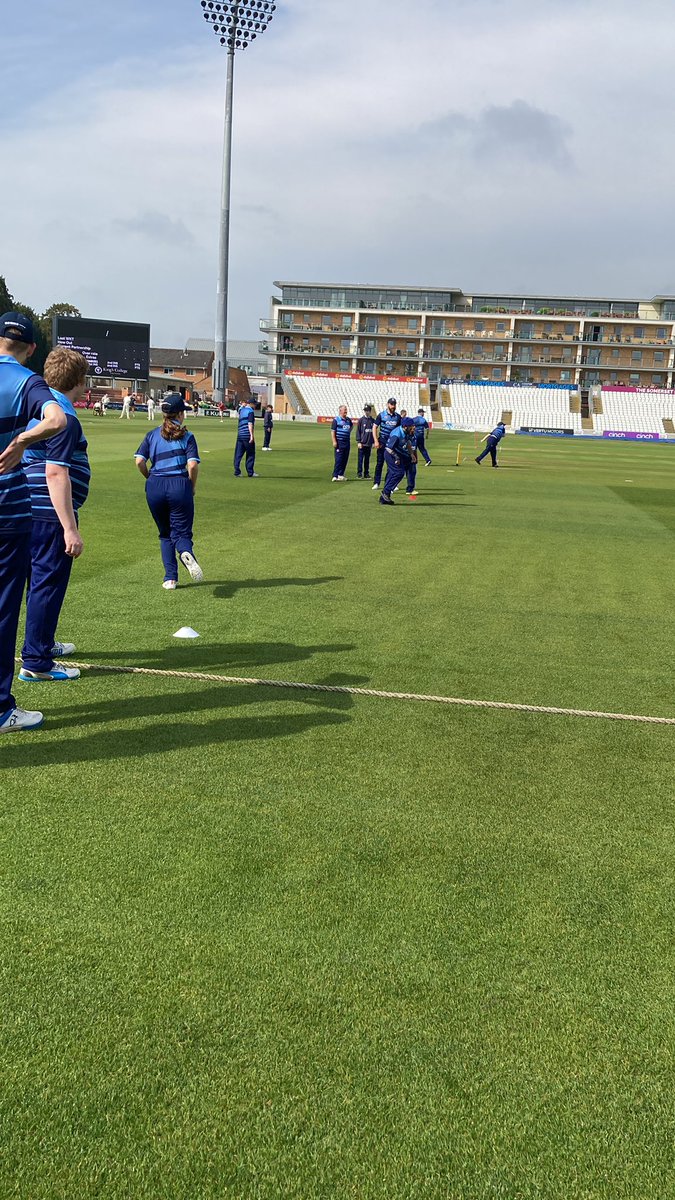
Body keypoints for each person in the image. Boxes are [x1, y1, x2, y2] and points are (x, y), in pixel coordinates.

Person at [0, 311, 68, 731]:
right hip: (8, 510)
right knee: (4, 609)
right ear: (29, 349)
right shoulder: (27, 381)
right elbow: (56, 419)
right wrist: (22, 440)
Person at [19, 347, 91, 683]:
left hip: (25, 507)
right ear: (78, 381)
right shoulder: (64, 416)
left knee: (37, 582)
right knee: (47, 583)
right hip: (48, 513)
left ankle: (42, 643)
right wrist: (70, 528)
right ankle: (36, 660)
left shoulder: (36, 408)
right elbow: (56, 473)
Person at [135, 394, 203, 589]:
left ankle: (170, 579)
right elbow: (192, 466)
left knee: (165, 533)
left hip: (155, 485)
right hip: (179, 485)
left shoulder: (151, 435)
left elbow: (139, 461)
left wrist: (149, 477)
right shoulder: (188, 436)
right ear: (180, 414)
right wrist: (192, 485)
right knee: (181, 533)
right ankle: (184, 552)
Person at [379, 416, 417, 506]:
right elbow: (388, 448)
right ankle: (386, 492)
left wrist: (411, 454)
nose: (413, 427)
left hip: (398, 453)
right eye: (411, 426)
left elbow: (408, 442)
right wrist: (396, 457)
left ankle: (384, 497)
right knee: (398, 473)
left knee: (395, 473)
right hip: (390, 454)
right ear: (405, 426)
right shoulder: (397, 434)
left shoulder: (406, 432)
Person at [372, 397, 401, 490]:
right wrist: (376, 440)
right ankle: (376, 482)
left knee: (392, 464)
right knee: (380, 462)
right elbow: (374, 427)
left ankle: (390, 483)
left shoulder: (398, 416)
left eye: (394, 404)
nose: (393, 406)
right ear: (388, 404)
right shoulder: (381, 415)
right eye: (392, 404)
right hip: (383, 441)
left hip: (393, 443)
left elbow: (400, 430)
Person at [234, 397, 257, 477]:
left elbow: (239, 409)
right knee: (250, 454)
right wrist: (251, 435)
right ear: (251, 404)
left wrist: (243, 405)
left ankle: (237, 471)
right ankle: (250, 472)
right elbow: (250, 423)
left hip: (240, 435)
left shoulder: (242, 410)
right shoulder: (250, 411)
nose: (255, 406)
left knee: (238, 454)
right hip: (247, 435)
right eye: (254, 404)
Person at [331, 404, 353, 481]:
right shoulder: (336, 420)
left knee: (345, 459)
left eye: (346, 409)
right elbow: (333, 431)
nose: (346, 411)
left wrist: (346, 433)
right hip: (339, 442)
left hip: (347, 442)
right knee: (338, 459)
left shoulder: (348, 420)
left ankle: (341, 474)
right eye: (345, 410)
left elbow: (351, 427)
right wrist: (334, 441)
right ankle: (335, 475)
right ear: (340, 411)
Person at [356, 404, 375, 478]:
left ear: (370, 411)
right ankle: (359, 473)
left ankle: (366, 473)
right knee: (360, 459)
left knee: (367, 460)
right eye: (365, 410)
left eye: (367, 411)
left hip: (369, 443)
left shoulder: (372, 420)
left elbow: (374, 432)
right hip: (362, 443)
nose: (366, 412)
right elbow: (358, 431)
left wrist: (373, 442)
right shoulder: (361, 420)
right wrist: (359, 441)